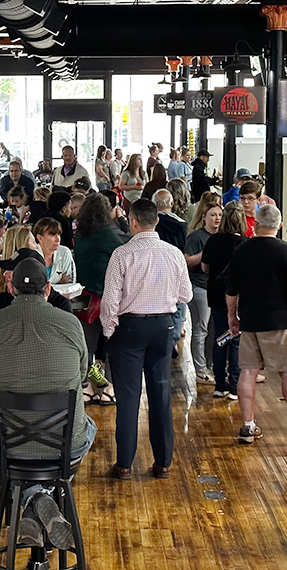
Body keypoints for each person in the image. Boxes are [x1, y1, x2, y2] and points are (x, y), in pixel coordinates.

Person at [0, 257, 96, 550]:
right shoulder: (70, 324)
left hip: (8, 444)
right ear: (49, 289)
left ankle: (32, 501)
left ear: (11, 288)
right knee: (88, 428)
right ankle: (41, 498)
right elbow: (80, 374)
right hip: (64, 445)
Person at [101, 199, 192, 480]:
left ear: (133, 221)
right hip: (163, 328)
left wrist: (108, 332)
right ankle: (163, 462)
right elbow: (185, 295)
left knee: (128, 398)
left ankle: (125, 464)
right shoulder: (174, 253)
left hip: (130, 329)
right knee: (160, 395)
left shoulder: (122, 254)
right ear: (156, 221)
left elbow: (110, 302)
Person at [225, 204, 287, 447]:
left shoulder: (242, 250)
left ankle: (248, 427)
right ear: (279, 225)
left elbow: (231, 289)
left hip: (250, 320)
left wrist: (232, 317)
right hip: (280, 321)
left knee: (248, 371)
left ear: (256, 224)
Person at [73, 194, 124, 405]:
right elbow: (122, 253)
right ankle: (106, 388)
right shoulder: (107, 234)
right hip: (105, 297)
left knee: (89, 348)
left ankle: (87, 387)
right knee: (110, 345)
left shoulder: (81, 235)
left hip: (83, 298)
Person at [202, 202, 246, 399]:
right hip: (238, 296)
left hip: (216, 295)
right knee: (236, 340)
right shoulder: (245, 243)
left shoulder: (213, 241)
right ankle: (235, 386)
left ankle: (220, 384)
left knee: (220, 338)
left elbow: (204, 267)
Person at [185, 199, 223, 384]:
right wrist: (206, 253)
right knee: (201, 328)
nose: (217, 218)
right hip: (199, 286)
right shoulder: (196, 237)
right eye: (213, 215)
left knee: (216, 330)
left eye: (219, 215)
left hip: (217, 288)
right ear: (204, 217)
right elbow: (187, 262)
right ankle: (200, 369)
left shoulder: (222, 237)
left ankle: (211, 364)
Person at [34, 217, 76, 285]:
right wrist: (58, 284)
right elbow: (33, 287)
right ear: (40, 238)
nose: (57, 239)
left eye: (59, 234)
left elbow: (70, 283)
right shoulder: (32, 254)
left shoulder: (65, 252)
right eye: (52, 235)